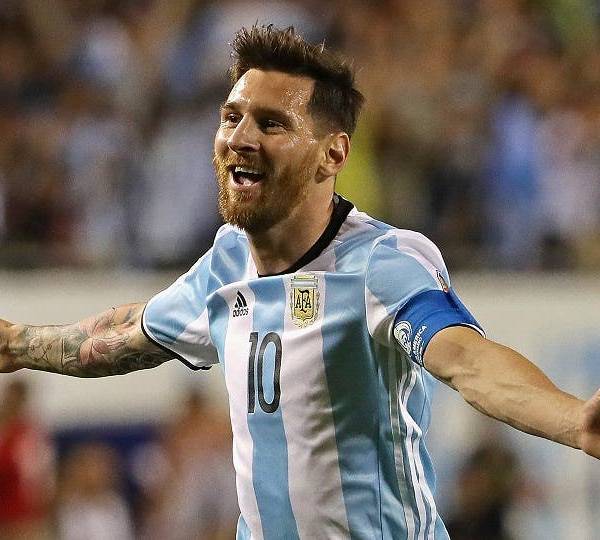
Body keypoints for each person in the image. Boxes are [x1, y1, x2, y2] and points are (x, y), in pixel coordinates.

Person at [0, 25, 599, 540]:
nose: (241, 137)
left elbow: (468, 360)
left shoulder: (381, 263)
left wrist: (574, 421)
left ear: (332, 155)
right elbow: (122, 336)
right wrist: (17, 343)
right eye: (231, 117)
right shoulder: (227, 261)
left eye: (271, 123)